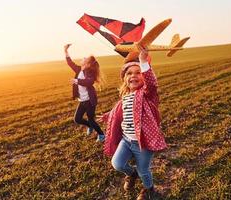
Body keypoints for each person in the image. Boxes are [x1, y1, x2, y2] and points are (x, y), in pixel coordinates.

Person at [98, 47, 167, 199]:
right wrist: (108, 115)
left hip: (143, 142)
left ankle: (149, 190)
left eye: (138, 73)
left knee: (144, 170)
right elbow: (122, 110)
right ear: (124, 78)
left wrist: (143, 61)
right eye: (129, 73)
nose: (133, 76)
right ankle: (131, 174)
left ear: (144, 76)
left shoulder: (147, 94)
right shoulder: (126, 95)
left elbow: (151, 83)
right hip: (127, 140)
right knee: (117, 164)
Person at [64, 44, 105, 142]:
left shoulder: (90, 72)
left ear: (88, 64)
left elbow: (89, 82)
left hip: (89, 101)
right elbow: (70, 63)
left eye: (85, 58)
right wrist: (65, 51)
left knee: (91, 119)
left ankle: (102, 135)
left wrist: (76, 80)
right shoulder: (79, 70)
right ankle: (90, 126)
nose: (83, 58)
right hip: (82, 100)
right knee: (77, 119)